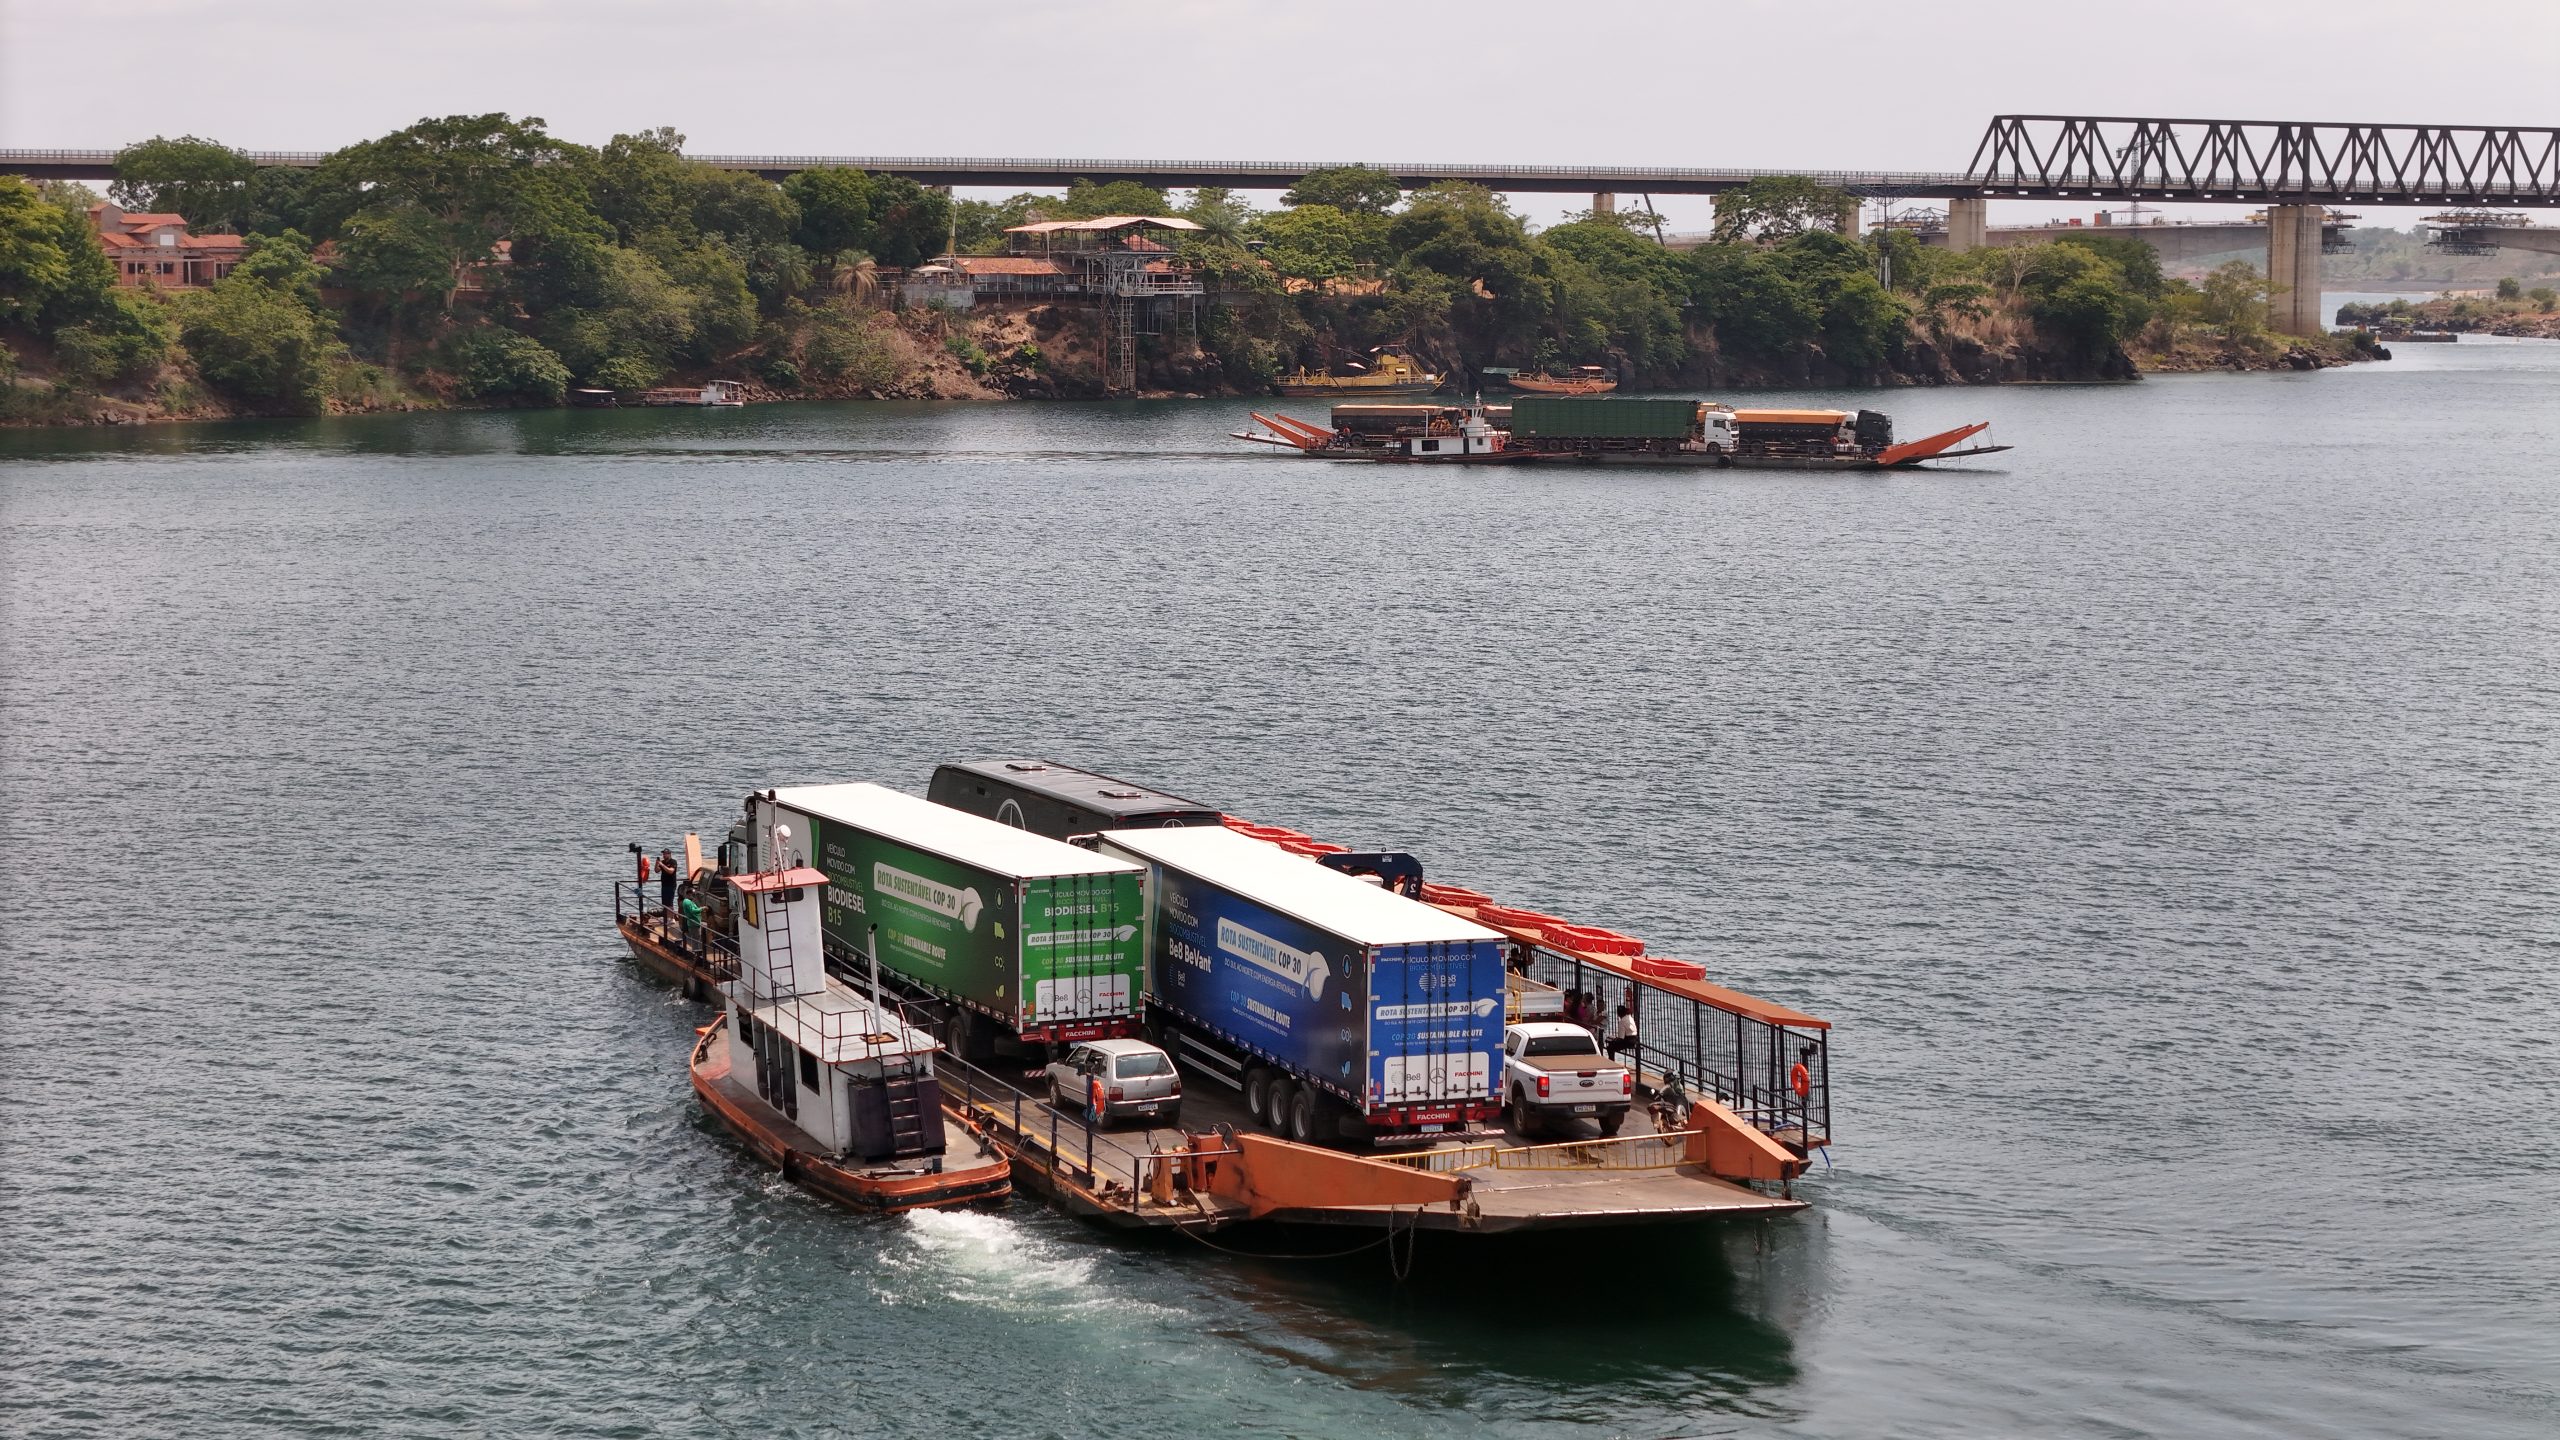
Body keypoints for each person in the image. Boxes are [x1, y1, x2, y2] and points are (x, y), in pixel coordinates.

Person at [657, 847, 679, 912]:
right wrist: (657, 863)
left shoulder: (673, 862)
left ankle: (672, 918)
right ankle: (665, 918)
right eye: (663, 854)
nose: (664, 855)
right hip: (664, 885)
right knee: (664, 903)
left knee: (670, 902)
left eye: (665, 854)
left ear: (669, 854)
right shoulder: (662, 862)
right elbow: (656, 870)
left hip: (671, 885)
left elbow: (671, 871)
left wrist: (662, 865)